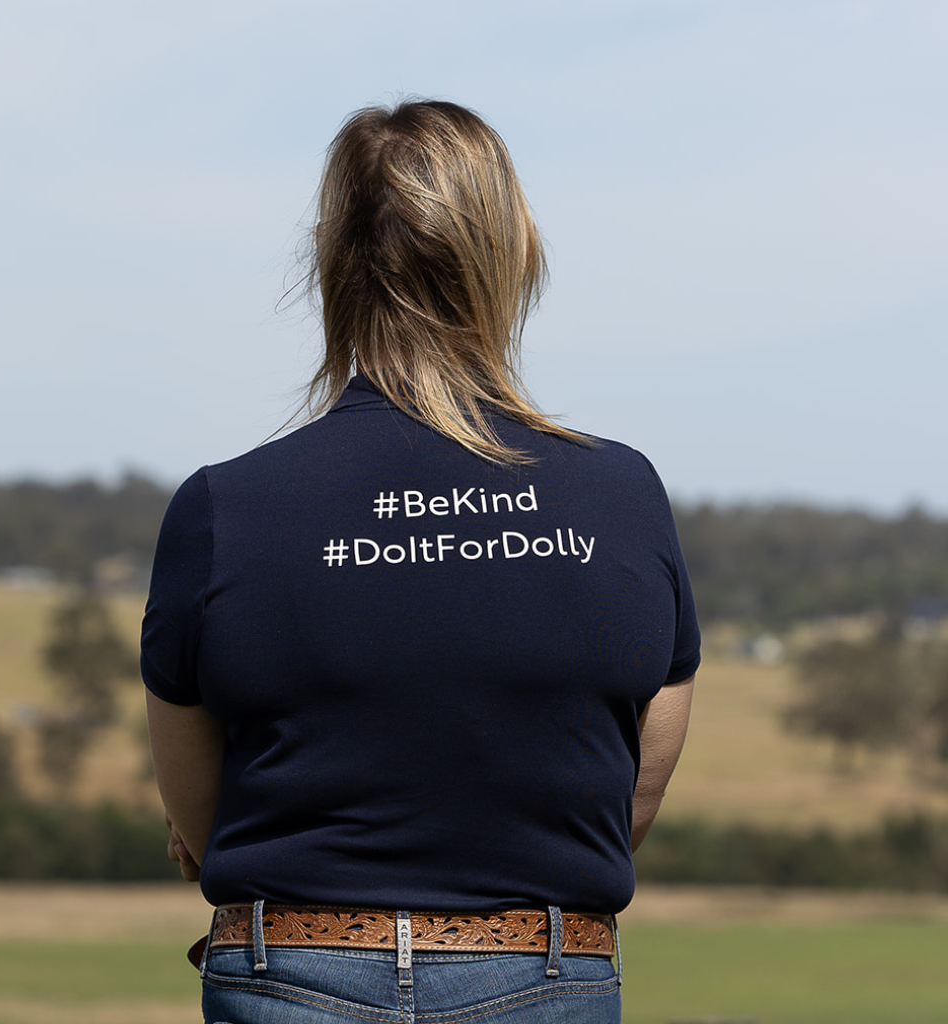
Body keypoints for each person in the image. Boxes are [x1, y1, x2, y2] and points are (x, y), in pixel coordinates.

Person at [141, 99, 698, 1024]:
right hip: (545, 974)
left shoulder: (223, 508)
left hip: (289, 975)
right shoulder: (622, 496)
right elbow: (630, 790)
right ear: (513, 250)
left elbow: (198, 819)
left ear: (331, 259)